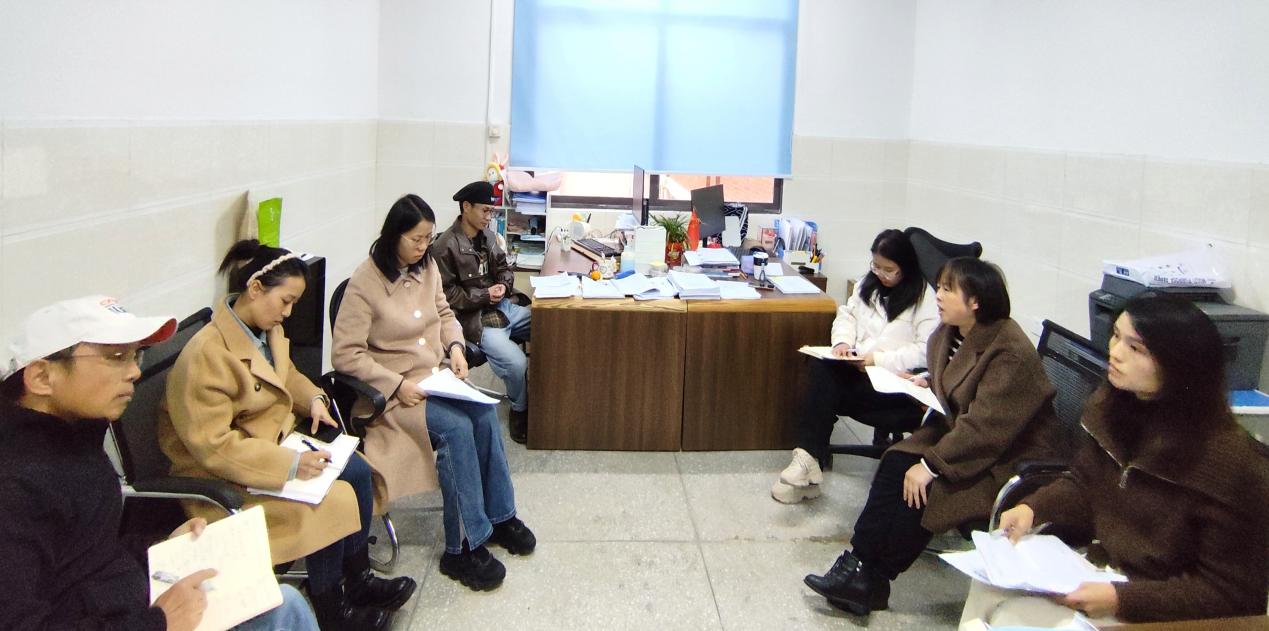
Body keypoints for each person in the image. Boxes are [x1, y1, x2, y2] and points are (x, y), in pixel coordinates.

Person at [0, 295, 318, 630]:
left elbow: (89, 555)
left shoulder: (75, 439)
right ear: (42, 377)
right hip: (139, 619)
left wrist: (162, 548)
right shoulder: (15, 488)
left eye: (134, 355)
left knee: (283, 603)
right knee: (285, 611)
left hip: (130, 605)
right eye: (116, 357)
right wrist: (160, 622)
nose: (135, 371)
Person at [158, 241, 416, 631]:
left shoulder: (264, 331)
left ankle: (358, 579)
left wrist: (313, 399)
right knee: (329, 499)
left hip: (271, 448)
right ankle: (332, 607)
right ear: (255, 288)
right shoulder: (205, 356)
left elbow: (286, 375)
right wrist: (291, 464)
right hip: (224, 479)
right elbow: (215, 449)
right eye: (285, 301)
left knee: (358, 471)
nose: (288, 312)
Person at [987, 293, 1269, 624]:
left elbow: (1231, 595)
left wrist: (1121, 600)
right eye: (1116, 336)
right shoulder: (1112, 408)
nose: (1115, 352)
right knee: (991, 600)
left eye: (1136, 349)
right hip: (1108, 575)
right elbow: (1087, 482)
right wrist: (1034, 508)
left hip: (1170, 614)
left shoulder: (1233, 464)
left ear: (1179, 365)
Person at [803, 257, 1060, 616]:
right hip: (964, 435)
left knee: (924, 487)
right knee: (895, 462)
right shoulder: (950, 332)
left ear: (976, 301)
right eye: (938, 286)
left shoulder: (1009, 351)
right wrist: (927, 380)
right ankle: (859, 566)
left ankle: (874, 577)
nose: (937, 295)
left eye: (948, 289)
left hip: (1005, 458)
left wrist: (930, 465)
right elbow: (959, 383)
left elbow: (986, 428)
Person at [332, 194, 534, 591]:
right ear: (393, 236)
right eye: (416, 240)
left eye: (428, 238)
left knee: (483, 415)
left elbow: (444, 314)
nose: (424, 247)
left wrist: (455, 347)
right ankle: (462, 548)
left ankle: (499, 516)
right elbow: (345, 355)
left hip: (431, 377)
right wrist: (396, 385)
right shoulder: (365, 282)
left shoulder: (425, 268)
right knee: (457, 430)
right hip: (393, 393)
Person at [773, 228, 938, 503]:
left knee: (824, 391)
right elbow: (847, 315)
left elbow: (926, 350)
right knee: (822, 369)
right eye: (876, 266)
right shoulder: (867, 284)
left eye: (889, 270)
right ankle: (807, 461)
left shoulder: (925, 298)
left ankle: (807, 465)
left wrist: (878, 360)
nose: (881, 274)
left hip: (894, 386)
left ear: (906, 267)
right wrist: (842, 343)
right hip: (859, 371)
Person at [433, 180, 532, 443]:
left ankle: (547, 395)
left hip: (502, 307)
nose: (489, 217)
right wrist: (485, 295)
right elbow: (446, 295)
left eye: (492, 211)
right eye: (485, 210)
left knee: (552, 324)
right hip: (476, 320)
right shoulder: (445, 246)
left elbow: (504, 268)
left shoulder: (487, 236)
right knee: (516, 363)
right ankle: (520, 408)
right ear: (466, 207)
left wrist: (504, 285)